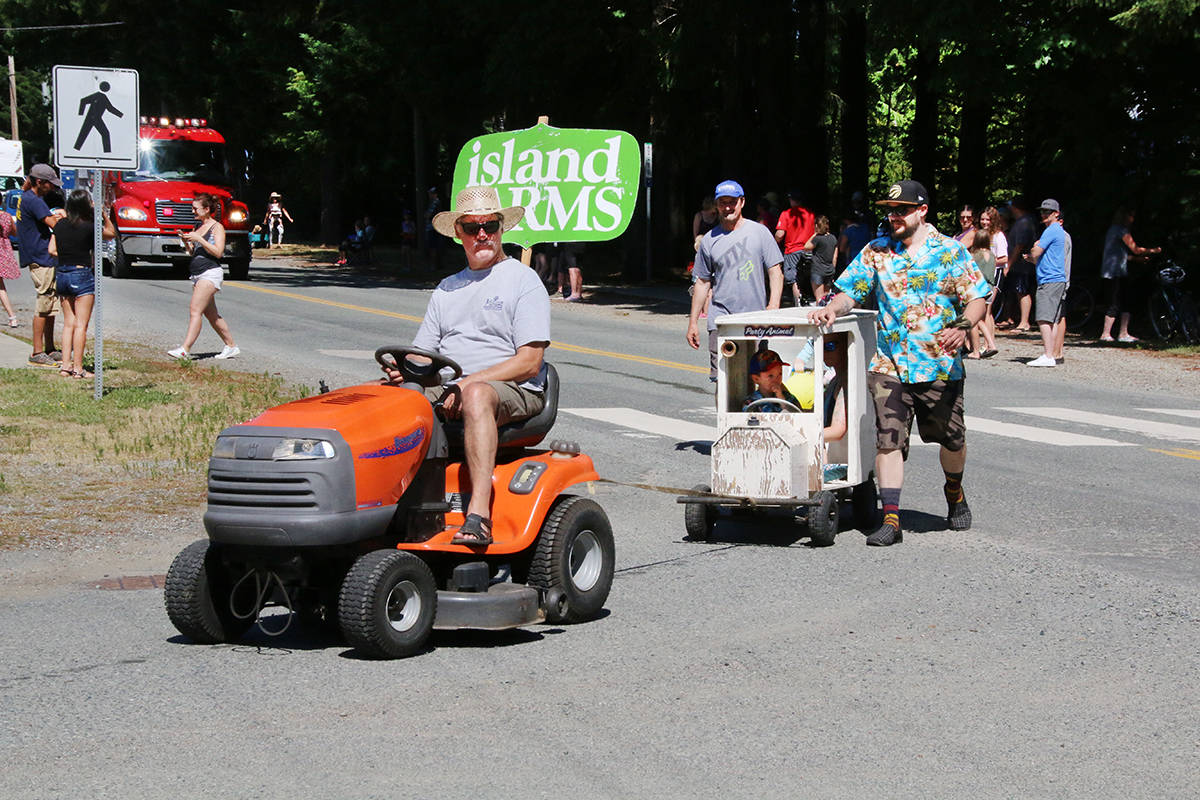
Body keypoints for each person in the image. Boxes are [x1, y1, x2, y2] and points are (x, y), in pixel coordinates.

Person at [810, 180, 990, 547]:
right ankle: (891, 518)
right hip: (889, 363)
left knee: (952, 439)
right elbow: (849, 292)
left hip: (939, 364)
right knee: (888, 440)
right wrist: (833, 308)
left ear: (922, 211)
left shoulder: (950, 251)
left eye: (902, 210)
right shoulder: (876, 251)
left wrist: (963, 326)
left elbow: (977, 298)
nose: (894, 217)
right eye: (890, 211)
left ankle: (954, 491)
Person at [383, 186, 550, 546]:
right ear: (459, 233)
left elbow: (529, 361)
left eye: (490, 225)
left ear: (501, 228)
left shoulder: (523, 280)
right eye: (473, 228)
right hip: (454, 386)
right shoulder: (447, 288)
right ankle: (385, 503)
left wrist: (468, 382)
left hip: (514, 389)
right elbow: (423, 355)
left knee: (475, 394)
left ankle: (478, 515)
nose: (482, 235)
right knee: (380, 400)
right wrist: (404, 369)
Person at [687, 180, 784, 381]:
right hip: (720, 320)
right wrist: (693, 322)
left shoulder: (759, 232)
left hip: (754, 319)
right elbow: (702, 282)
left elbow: (775, 270)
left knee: (757, 379)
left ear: (742, 202)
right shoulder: (709, 240)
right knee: (722, 381)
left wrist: (773, 305)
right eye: (722, 203)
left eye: (732, 202)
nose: (727, 207)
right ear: (716, 205)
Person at [48, 189, 116, 378]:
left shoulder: (60, 225)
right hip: (81, 274)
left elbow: (51, 249)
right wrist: (103, 215)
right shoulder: (89, 226)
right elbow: (111, 233)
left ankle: (65, 366)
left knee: (68, 323)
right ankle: (78, 368)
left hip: (62, 273)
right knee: (81, 325)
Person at [166, 193, 240, 360]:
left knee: (195, 310)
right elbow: (194, 251)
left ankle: (185, 349)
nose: (193, 211)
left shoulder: (217, 227)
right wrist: (187, 241)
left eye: (195, 208)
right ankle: (231, 346)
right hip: (197, 274)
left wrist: (199, 238)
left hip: (210, 273)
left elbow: (218, 252)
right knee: (212, 315)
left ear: (206, 209)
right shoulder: (198, 225)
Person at [15, 164, 64, 367]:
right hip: (40, 257)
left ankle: (49, 348)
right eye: (50, 184)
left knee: (50, 304)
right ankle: (37, 351)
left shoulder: (28, 198)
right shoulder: (33, 201)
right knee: (44, 304)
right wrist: (63, 217)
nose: (52, 188)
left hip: (42, 256)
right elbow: (55, 225)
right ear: (39, 182)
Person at [1100, 207, 1160, 343]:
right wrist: (1154, 251)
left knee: (1124, 301)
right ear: (1125, 217)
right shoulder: (1121, 230)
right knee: (1115, 302)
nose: (1133, 219)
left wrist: (1137, 260)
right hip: (1115, 272)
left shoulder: (1112, 230)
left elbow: (1120, 255)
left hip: (1114, 271)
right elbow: (1135, 249)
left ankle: (1122, 333)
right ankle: (1106, 334)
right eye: (1131, 216)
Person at [1027, 199, 1068, 367]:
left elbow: (1036, 252)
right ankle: (1052, 354)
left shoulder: (1051, 230)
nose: (1043, 214)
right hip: (1056, 278)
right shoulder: (1058, 231)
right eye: (1042, 211)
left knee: (1043, 318)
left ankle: (1048, 355)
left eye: (1047, 212)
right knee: (1053, 319)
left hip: (1049, 279)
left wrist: (1034, 247)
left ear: (1056, 214)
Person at [1001, 197, 1037, 332]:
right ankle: (1016, 319)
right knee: (1017, 291)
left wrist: (1008, 265)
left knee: (1022, 291)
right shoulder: (1024, 221)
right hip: (1021, 265)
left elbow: (1019, 246)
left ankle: (1024, 322)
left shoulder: (1024, 222)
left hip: (1022, 265)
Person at [775, 190, 816, 305]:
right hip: (809, 250)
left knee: (794, 280)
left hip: (792, 251)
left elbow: (780, 234)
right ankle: (814, 302)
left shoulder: (786, 214)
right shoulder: (811, 214)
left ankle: (799, 305)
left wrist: (774, 243)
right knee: (809, 278)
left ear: (792, 200)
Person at [965, 228, 999, 359]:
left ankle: (975, 350)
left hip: (979, 288)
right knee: (984, 318)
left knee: (974, 319)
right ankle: (991, 344)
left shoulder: (975, 256)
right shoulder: (992, 255)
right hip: (990, 288)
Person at [803, 215, 838, 302]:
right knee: (826, 298)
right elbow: (835, 257)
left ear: (816, 226)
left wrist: (814, 234)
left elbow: (806, 247)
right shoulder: (833, 238)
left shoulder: (817, 239)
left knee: (819, 298)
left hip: (818, 270)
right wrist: (832, 269)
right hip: (829, 271)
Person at [0, 208, 20, 327]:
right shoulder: (7, 216)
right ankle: (12, 317)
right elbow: (15, 233)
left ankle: (12, 317)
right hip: (3, 251)